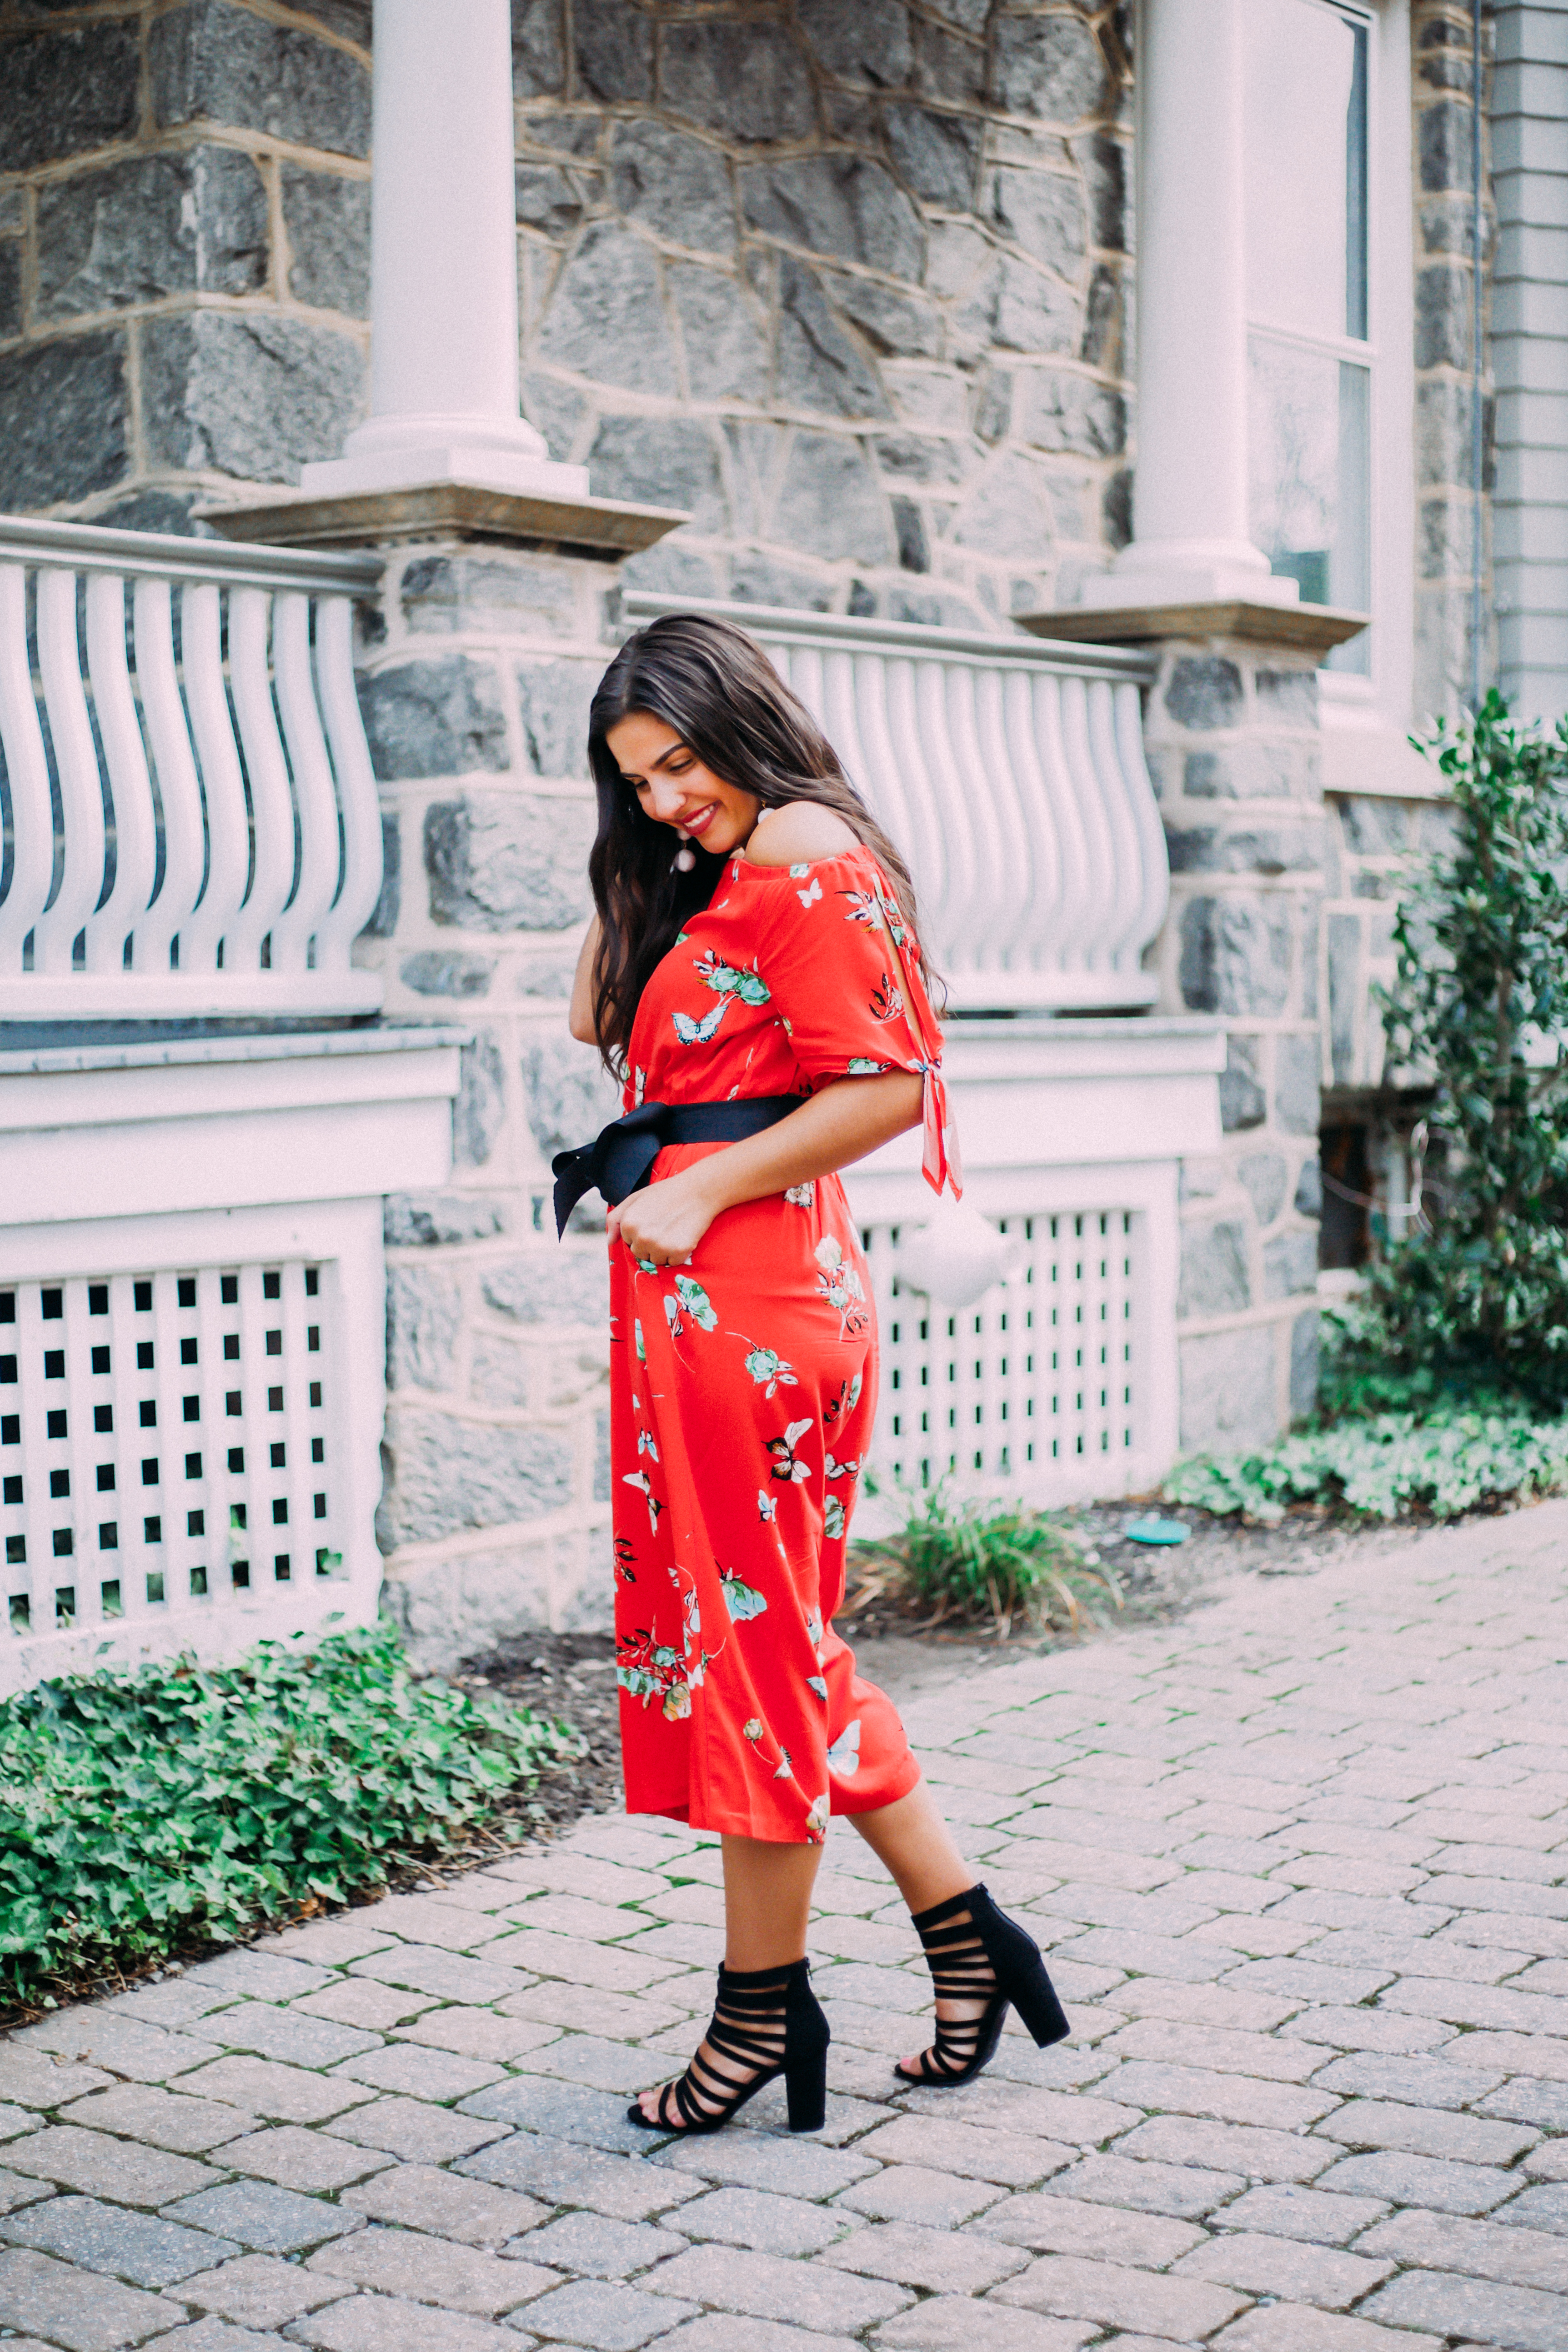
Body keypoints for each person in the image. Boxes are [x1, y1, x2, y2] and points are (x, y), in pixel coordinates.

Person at [563, 613, 1068, 2138]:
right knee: (776, 1642)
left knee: (753, 1660)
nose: (661, 798)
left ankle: (760, 2017)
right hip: (704, 1300)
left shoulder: (801, 850)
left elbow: (888, 1092)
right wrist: (640, 864)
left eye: (676, 763)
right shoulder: (724, 860)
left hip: (758, 1300)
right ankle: (966, 1934)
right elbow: (596, 1021)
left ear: (738, 719)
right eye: (632, 779)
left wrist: (704, 1194)